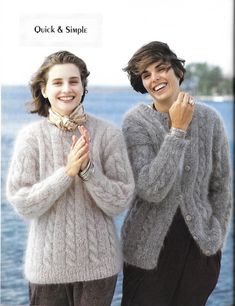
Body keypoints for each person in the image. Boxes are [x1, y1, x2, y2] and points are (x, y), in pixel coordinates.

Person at [6, 50, 135, 306]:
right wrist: (67, 173)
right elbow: (22, 203)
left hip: (98, 269)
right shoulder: (31, 137)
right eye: (57, 82)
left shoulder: (109, 134)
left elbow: (119, 202)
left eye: (74, 81)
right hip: (46, 269)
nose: (67, 89)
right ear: (43, 90)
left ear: (83, 87)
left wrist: (88, 171)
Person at [120, 41, 232, 306]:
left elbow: (222, 186)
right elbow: (150, 188)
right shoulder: (136, 123)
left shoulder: (210, 119)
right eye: (146, 75)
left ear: (178, 72)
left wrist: (215, 239)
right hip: (147, 251)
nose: (155, 78)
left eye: (161, 69)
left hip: (199, 251)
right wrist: (178, 131)